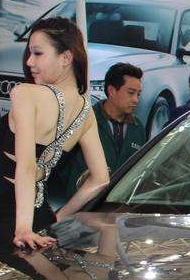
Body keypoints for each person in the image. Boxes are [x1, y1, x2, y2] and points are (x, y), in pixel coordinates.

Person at [0, 17, 110, 253]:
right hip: (42, 221)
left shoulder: (25, 94)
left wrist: (23, 228)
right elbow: (100, 179)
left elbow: (27, 165)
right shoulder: (86, 111)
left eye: (37, 53)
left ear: (66, 58)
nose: (29, 61)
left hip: (5, 220)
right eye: (29, 53)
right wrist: (58, 217)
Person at [47, 62, 146, 204]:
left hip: (118, 208)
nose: (136, 99)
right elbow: (57, 164)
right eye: (131, 93)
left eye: (138, 94)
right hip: (80, 206)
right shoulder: (83, 119)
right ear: (111, 90)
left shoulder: (138, 128)